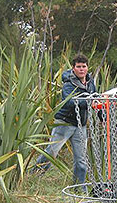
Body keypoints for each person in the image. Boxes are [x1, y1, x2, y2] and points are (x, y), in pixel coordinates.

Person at [35, 54, 96, 183]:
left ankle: (79, 186)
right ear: (73, 68)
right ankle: (34, 176)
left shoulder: (91, 83)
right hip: (64, 123)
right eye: (78, 66)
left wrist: (103, 116)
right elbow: (69, 102)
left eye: (83, 66)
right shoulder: (68, 84)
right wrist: (89, 102)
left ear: (87, 68)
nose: (81, 69)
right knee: (51, 152)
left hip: (81, 125)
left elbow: (96, 100)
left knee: (81, 159)